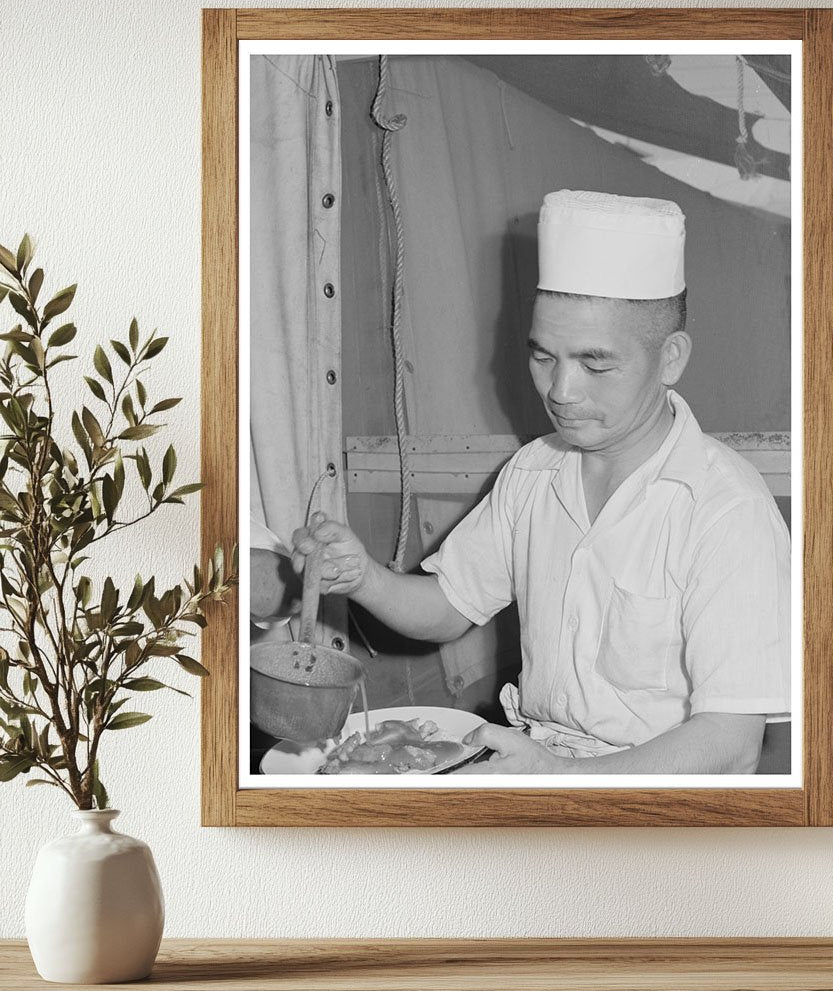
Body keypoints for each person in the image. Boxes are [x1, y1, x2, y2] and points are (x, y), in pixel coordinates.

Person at [275, 190, 791, 774]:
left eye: (596, 364)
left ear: (670, 358)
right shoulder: (533, 472)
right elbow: (449, 606)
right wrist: (365, 578)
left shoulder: (725, 509)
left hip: (650, 805)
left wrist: (566, 778)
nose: (561, 392)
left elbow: (732, 743)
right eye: (544, 357)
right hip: (534, 761)